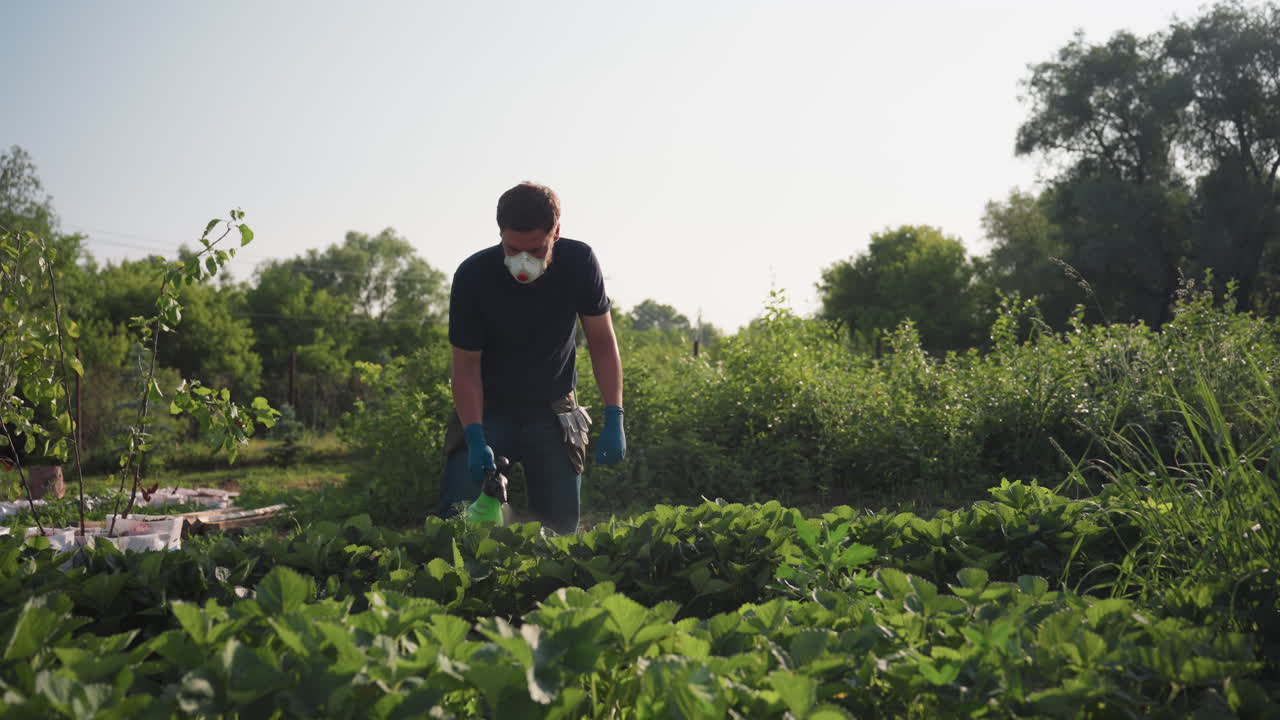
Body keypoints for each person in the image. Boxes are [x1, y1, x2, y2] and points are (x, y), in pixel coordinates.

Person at [437, 182, 625, 533]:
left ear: (557, 231)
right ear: (500, 234)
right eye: (512, 249)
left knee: (558, 533)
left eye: (537, 251)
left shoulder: (579, 263)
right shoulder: (474, 276)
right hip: (488, 411)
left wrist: (614, 413)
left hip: (554, 413)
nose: (523, 262)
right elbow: (465, 368)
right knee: (460, 523)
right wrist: (475, 437)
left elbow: (601, 341)